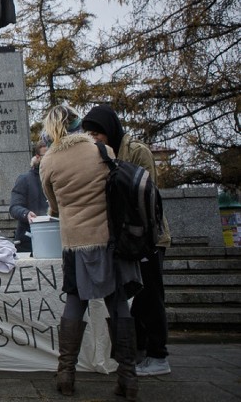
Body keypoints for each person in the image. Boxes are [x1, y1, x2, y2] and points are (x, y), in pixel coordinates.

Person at [39, 105, 141, 401]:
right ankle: (128, 377)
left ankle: (66, 374)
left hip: (75, 241)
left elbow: (54, 205)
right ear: (78, 123)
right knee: (118, 302)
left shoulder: (49, 160)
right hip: (108, 239)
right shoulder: (101, 150)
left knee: (75, 301)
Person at [82, 104, 172, 377]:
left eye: (97, 133)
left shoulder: (137, 151)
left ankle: (159, 355)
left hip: (148, 237)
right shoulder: (98, 155)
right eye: (90, 133)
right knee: (132, 298)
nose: (94, 138)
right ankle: (141, 351)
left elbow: (146, 194)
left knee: (150, 297)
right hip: (121, 238)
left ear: (109, 130)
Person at [9, 141, 48, 253]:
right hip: (28, 241)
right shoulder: (25, 179)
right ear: (37, 157)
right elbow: (14, 207)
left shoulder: (59, 178)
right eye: (46, 156)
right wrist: (26, 213)